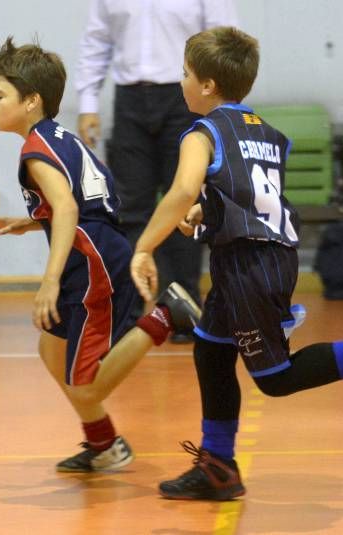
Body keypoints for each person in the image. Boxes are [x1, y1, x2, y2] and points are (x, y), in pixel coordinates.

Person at [129, 26, 343, 501]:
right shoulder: (264, 131)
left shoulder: (201, 132)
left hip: (249, 265)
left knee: (275, 379)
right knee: (211, 348)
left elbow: (181, 189)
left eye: (184, 74)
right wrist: (207, 211)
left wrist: (144, 246)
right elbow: (250, 193)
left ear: (207, 86)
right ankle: (219, 467)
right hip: (263, 256)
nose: (179, 83)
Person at [0, 37, 202, 472]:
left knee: (85, 386)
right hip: (102, 245)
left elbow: (67, 207)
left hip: (93, 263)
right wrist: (29, 221)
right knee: (51, 350)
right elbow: (80, 200)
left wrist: (49, 281)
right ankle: (105, 446)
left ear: (31, 101)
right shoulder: (60, 136)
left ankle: (164, 318)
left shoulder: (35, 151)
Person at [75, 0, 239, 342]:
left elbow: (224, 41)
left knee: (186, 203)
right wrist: (88, 103)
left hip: (185, 96)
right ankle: (132, 309)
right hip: (130, 99)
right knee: (129, 208)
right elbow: (97, 40)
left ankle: (187, 309)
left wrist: (222, 106)